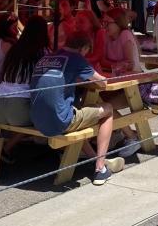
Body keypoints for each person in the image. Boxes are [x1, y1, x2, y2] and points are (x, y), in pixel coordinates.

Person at [29, 34, 127, 185]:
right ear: (84, 48)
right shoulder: (76, 58)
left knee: (79, 111)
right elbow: (102, 82)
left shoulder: (46, 58)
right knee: (108, 109)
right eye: (87, 52)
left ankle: (94, 157)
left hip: (36, 120)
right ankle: (100, 170)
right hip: (60, 122)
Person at [0, 16, 50, 158]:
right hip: (18, 109)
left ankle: (21, 142)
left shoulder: (14, 49)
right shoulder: (42, 52)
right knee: (45, 114)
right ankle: (7, 148)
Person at [101, 7, 141, 75]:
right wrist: (117, 65)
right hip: (115, 75)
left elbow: (130, 65)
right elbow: (102, 61)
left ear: (118, 23)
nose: (104, 26)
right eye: (103, 22)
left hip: (132, 77)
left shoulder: (125, 34)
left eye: (108, 23)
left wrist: (112, 65)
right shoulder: (106, 35)